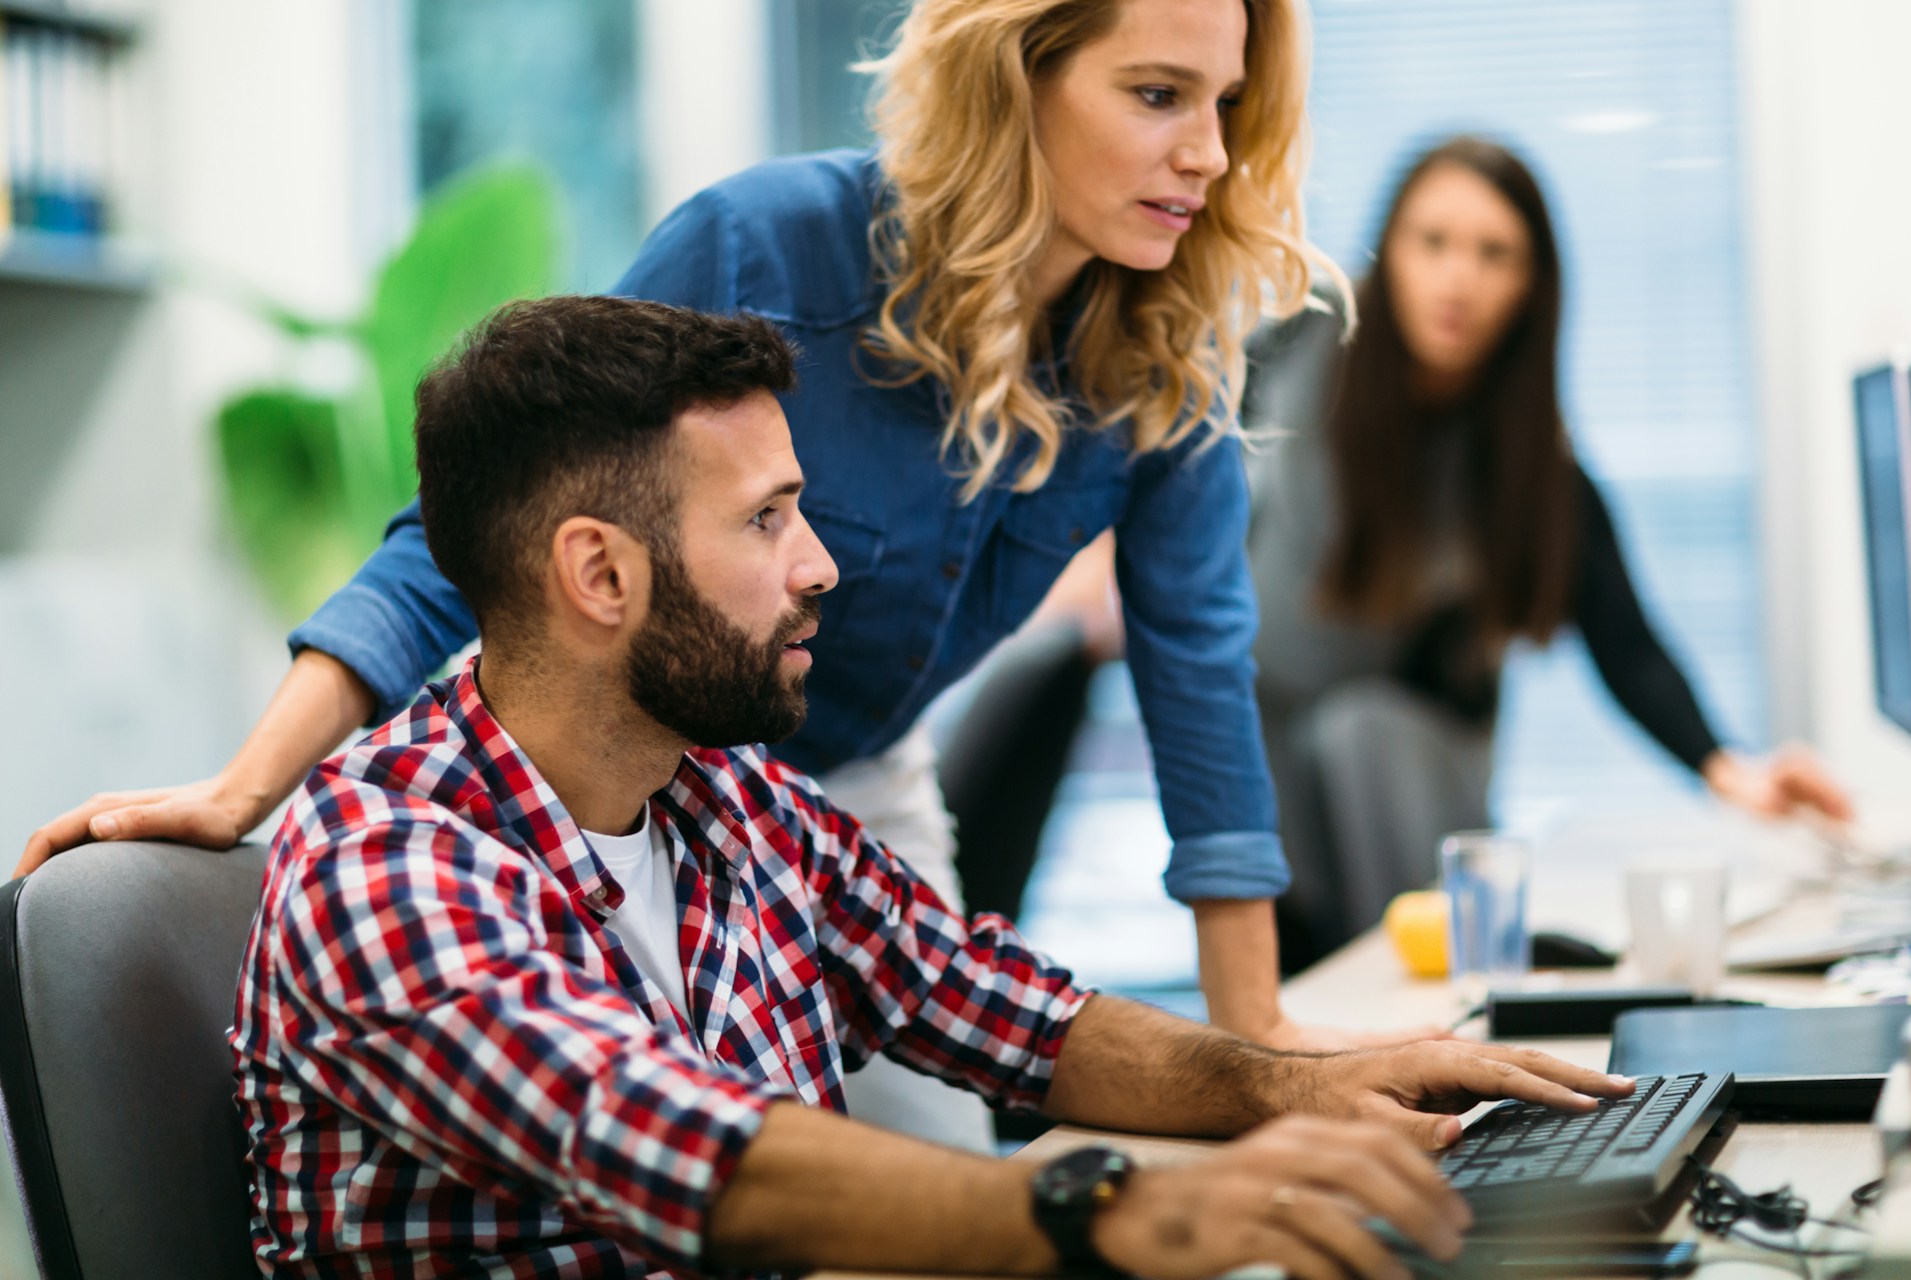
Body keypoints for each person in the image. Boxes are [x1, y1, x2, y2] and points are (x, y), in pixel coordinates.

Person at [23, 0, 1403, 1151]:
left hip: (837, 795)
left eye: (1226, 104)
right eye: (1160, 95)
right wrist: (246, 789)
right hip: (619, 765)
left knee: (926, 1173)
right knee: (685, 1174)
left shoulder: (1163, 355)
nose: (1209, 153)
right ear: (1015, 76)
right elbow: (487, 525)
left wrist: (1260, 1051)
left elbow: (1198, 672)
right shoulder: (766, 244)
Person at [233, 295, 1631, 1279]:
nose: (820, 566)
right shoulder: (385, 864)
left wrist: (1305, 1088)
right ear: (601, 575)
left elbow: (1006, 1015)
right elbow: (696, 1154)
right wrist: (1105, 1213)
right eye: (767, 521)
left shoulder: (723, 799)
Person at [1242, 136, 1855, 970]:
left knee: (1362, 742)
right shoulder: (1298, 345)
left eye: (1495, 254)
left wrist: (1732, 772)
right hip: (1259, 737)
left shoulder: (1534, 469)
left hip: (1407, 766)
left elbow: (1626, 645)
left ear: (1532, 286)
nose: (1459, 277)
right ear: (1389, 256)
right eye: (1433, 243)